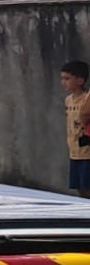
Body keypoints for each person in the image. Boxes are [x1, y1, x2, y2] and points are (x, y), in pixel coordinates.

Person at [59, 60, 90, 197]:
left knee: (87, 186)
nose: (63, 82)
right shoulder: (68, 100)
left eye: (67, 78)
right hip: (74, 150)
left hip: (87, 150)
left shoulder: (87, 98)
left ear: (80, 80)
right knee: (79, 187)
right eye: (62, 78)